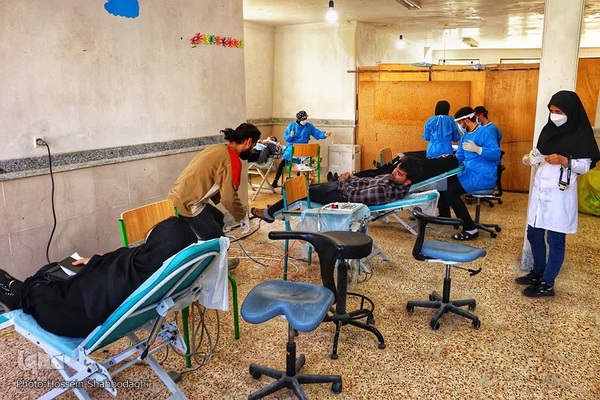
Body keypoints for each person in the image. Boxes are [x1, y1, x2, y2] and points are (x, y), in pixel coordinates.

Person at [0, 217, 197, 337]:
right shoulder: (160, 269)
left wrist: (97, 264)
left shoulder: (130, 273)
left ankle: (16, 295)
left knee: (40, 286)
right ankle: (19, 289)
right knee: (55, 269)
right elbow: (126, 255)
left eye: (149, 240)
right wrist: (96, 260)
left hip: (72, 318)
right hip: (96, 311)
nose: (144, 245)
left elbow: (115, 268)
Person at [516, 90, 600, 297]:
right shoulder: (548, 130)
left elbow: (585, 166)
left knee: (555, 240)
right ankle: (537, 272)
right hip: (541, 191)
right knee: (534, 234)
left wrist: (565, 161)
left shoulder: (580, 135)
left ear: (570, 112)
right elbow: (538, 152)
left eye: (559, 112)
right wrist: (530, 158)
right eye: (552, 111)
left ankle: (547, 283)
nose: (555, 115)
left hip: (560, 194)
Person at [251, 156, 423, 222]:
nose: (394, 172)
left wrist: (343, 182)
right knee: (302, 189)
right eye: (396, 169)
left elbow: (355, 198)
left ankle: (270, 214)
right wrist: (353, 177)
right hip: (341, 187)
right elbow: (369, 181)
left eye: (399, 173)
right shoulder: (393, 180)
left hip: (340, 196)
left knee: (299, 192)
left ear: (407, 181)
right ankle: (278, 211)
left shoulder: (386, 191)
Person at [168, 123, 261, 241]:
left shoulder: (218, 148)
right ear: (248, 142)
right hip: (188, 204)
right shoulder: (232, 160)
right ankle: (213, 248)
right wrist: (242, 216)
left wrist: (237, 213)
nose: (252, 150)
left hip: (178, 197)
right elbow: (229, 198)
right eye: (253, 146)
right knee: (219, 242)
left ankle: (209, 244)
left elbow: (216, 184)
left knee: (218, 218)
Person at [438, 106, 501, 240]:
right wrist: (447, 159)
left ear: (466, 120)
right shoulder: (465, 137)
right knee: (446, 184)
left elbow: (496, 154)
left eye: (460, 123)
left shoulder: (485, 132)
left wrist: (479, 149)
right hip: (470, 172)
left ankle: (470, 229)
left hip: (483, 175)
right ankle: (450, 218)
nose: (460, 126)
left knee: (451, 192)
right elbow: (459, 157)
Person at [271, 110, 331, 187]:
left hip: (301, 150)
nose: (305, 120)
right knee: (287, 160)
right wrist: (290, 136)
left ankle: (279, 180)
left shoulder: (309, 126)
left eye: (305, 118)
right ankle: (276, 180)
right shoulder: (292, 126)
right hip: (297, 149)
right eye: (303, 119)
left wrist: (324, 134)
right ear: (298, 119)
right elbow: (287, 138)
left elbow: (317, 133)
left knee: (284, 161)